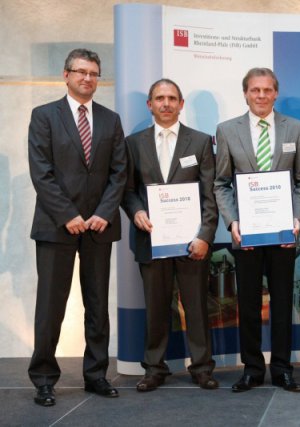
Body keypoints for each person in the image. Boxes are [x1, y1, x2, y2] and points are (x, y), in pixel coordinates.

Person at [27, 48, 126, 406]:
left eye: (94, 73)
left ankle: (96, 374)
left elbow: (119, 172)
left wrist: (103, 212)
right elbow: (42, 172)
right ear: (66, 75)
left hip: (99, 226)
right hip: (57, 226)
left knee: (97, 304)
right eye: (81, 72)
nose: (88, 78)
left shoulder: (110, 119)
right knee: (51, 305)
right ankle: (43, 378)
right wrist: (68, 215)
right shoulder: (44, 116)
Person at [215, 67, 300, 393]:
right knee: (249, 305)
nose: (261, 96)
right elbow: (221, 183)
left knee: (283, 304)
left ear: (275, 93)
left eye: (267, 90)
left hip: (284, 234)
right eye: (255, 90)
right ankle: (252, 370)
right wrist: (233, 222)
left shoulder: (294, 128)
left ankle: (282, 370)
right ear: (246, 93)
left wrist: (296, 219)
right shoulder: (227, 130)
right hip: (248, 234)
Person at [121, 79, 218, 392]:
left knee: (197, 307)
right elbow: (128, 189)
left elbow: (210, 194)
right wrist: (135, 211)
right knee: (156, 306)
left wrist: (205, 234)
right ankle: (154, 368)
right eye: (159, 98)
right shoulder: (133, 143)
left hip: (192, 241)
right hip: (151, 239)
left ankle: (202, 368)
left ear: (181, 104)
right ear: (150, 105)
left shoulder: (201, 142)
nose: (166, 103)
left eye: (172, 98)